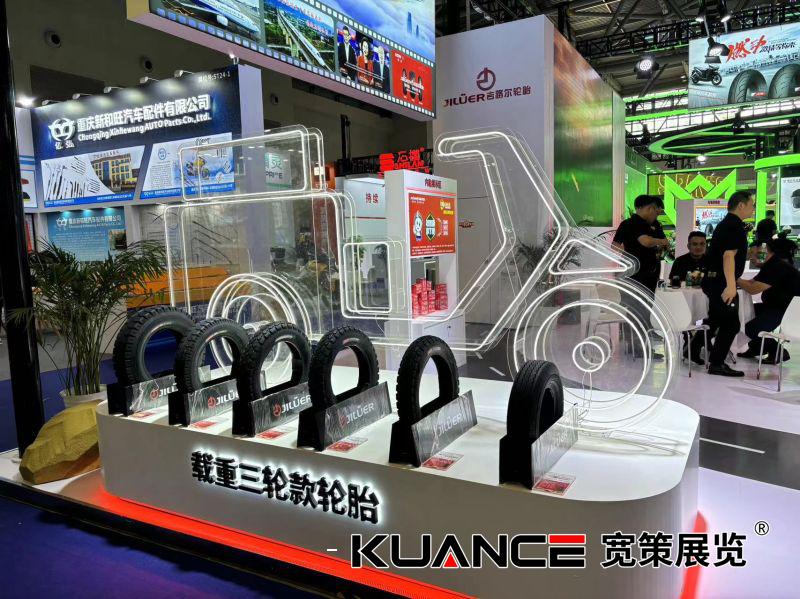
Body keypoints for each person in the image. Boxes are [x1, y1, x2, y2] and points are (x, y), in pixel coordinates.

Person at [701, 190, 755, 377]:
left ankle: (692, 350)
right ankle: (716, 364)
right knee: (731, 324)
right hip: (721, 283)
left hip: (715, 280)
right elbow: (728, 256)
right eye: (752, 205)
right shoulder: (734, 226)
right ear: (741, 205)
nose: (753, 209)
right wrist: (731, 285)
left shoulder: (727, 224)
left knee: (715, 319)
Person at [613, 195, 670, 359]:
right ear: (650, 208)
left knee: (645, 308)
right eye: (656, 211)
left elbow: (664, 242)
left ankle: (638, 344)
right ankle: (638, 347)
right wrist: (629, 257)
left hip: (650, 273)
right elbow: (645, 242)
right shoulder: (631, 224)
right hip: (634, 274)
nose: (657, 215)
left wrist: (660, 242)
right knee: (636, 309)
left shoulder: (655, 225)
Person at [737, 237, 800, 363]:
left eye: (754, 254)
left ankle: (778, 351)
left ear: (765, 252)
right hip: (774, 305)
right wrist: (737, 281)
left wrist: (734, 278)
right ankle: (756, 348)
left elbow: (753, 289)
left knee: (751, 328)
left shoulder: (776, 267)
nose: (751, 258)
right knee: (744, 313)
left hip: (786, 310)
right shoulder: (770, 265)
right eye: (750, 254)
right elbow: (751, 282)